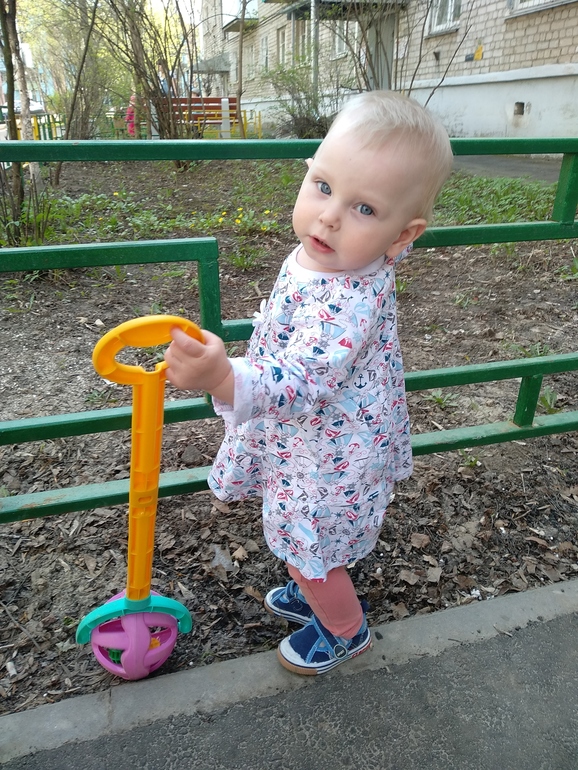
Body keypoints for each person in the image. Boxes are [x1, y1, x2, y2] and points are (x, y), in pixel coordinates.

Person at [165, 90, 454, 675]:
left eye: (364, 208)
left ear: (403, 237)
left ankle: (345, 629)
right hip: (310, 438)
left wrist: (222, 376)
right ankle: (315, 591)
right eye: (323, 186)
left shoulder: (350, 296)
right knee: (305, 540)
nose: (329, 217)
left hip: (330, 453)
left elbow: (304, 380)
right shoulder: (333, 254)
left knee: (309, 546)